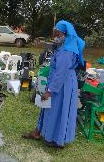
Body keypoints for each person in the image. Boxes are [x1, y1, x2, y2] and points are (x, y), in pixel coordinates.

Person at [23, 20, 85, 148]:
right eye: (54, 34)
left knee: (58, 110)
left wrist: (50, 90)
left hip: (63, 84)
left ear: (65, 34)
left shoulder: (68, 50)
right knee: (47, 107)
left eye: (57, 34)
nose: (55, 37)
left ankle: (56, 138)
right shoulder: (64, 46)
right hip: (59, 81)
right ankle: (38, 131)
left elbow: (61, 73)